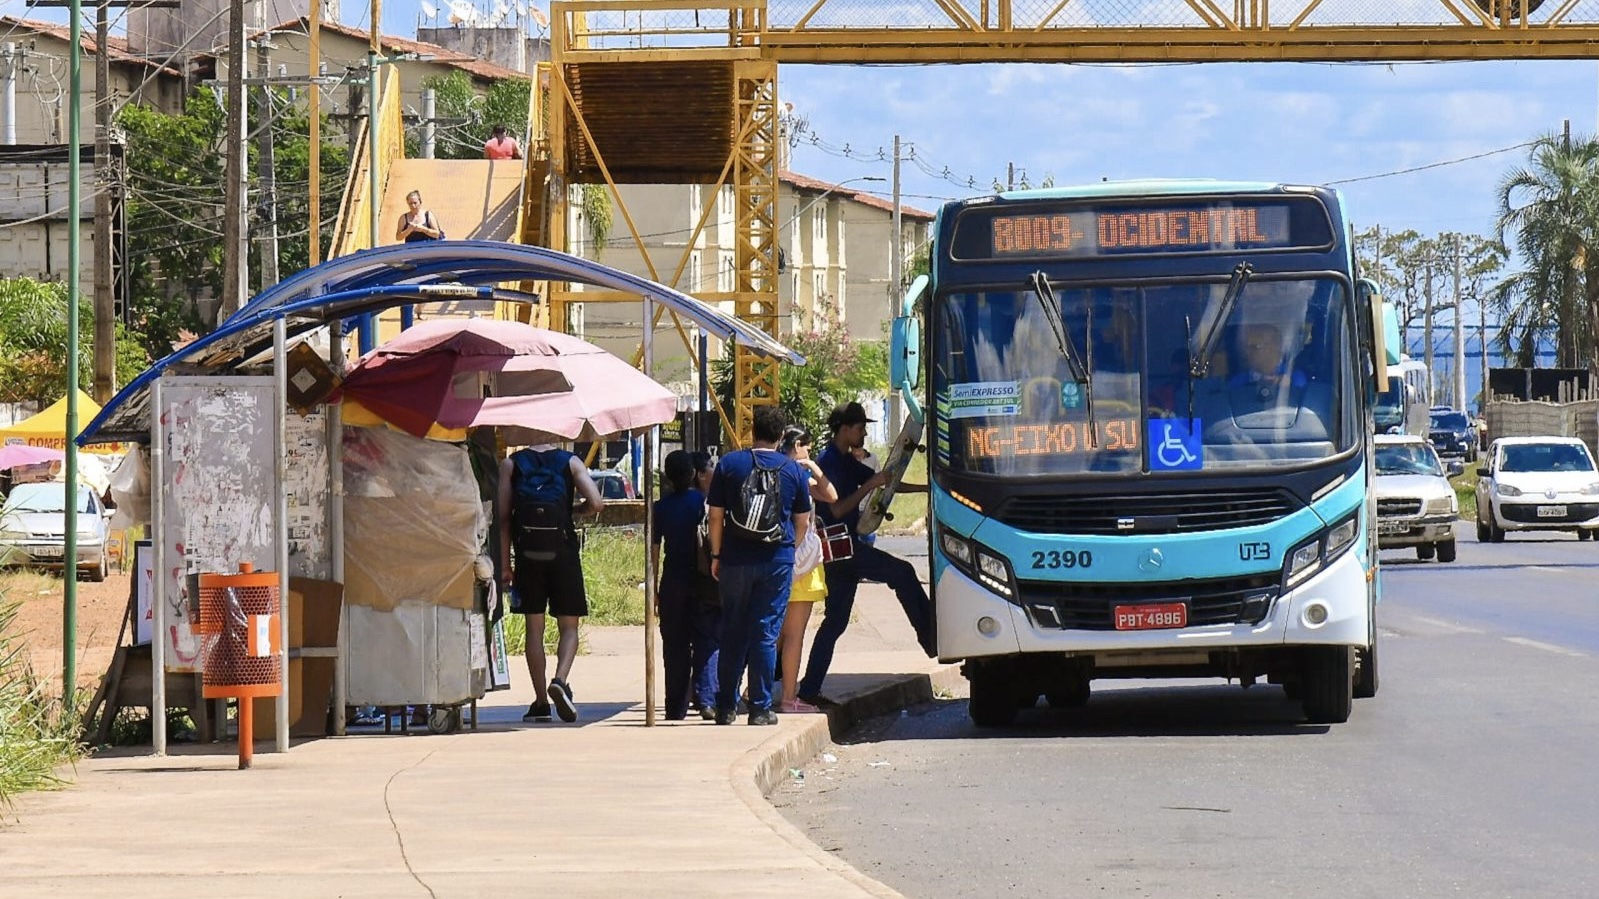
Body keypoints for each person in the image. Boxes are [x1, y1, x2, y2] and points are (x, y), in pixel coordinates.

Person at [797, 402, 935, 704]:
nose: (864, 433)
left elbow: (887, 481)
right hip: (841, 549)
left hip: (846, 549)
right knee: (903, 572)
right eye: (860, 428)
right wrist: (869, 485)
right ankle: (930, 636)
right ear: (845, 429)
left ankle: (808, 690)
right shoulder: (829, 461)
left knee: (835, 623)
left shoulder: (845, 459)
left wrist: (927, 488)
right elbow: (838, 507)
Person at [706, 406, 812, 726]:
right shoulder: (793, 471)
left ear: (752, 432)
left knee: (733, 632)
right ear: (781, 437)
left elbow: (715, 516)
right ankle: (761, 708)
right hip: (776, 560)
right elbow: (803, 522)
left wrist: (716, 554)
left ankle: (726, 707)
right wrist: (787, 551)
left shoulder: (730, 464)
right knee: (765, 633)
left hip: (735, 560)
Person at [497, 443, 605, 723]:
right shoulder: (570, 462)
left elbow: (503, 519)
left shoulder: (512, 464)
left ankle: (541, 701)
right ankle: (560, 680)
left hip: (527, 555)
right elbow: (597, 503)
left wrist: (506, 566)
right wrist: (575, 511)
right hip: (563, 552)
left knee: (534, 628)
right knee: (569, 626)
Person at [650, 450, 719, 721]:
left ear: (668, 477)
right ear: (693, 474)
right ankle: (707, 700)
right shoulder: (702, 502)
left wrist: (653, 590)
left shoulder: (660, 508)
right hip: (703, 581)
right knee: (706, 639)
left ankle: (675, 707)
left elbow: (654, 553)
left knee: (674, 646)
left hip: (672, 582)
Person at [775, 425, 836, 715]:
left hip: (770, 558)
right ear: (797, 444)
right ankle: (789, 697)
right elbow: (831, 495)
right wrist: (811, 467)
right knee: (794, 635)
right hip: (798, 563)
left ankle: (754, 690)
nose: (809, 452)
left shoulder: (770, 471)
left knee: (770, 635)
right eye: (807, 447)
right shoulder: (798, 476)